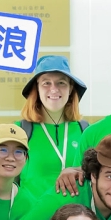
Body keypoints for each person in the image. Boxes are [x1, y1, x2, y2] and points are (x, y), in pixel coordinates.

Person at [16, 55, 89, 199]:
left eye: (61, 83)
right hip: (33, 219)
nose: (54, 89)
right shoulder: (20, 131)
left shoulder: (85, 130)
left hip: (76, 217)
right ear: (36, 88)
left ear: (70, 88)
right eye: (46, 83)